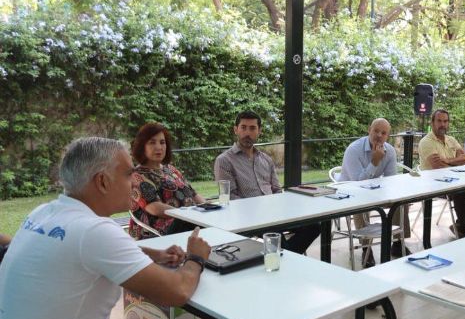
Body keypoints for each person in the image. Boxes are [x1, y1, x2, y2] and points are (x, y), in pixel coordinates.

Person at [0, 137, 214, 319]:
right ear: (102, 181)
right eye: (128, 174)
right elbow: (177, 292)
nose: (134, 181)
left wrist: (154, 254)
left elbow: (91, 249)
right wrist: (196, 259)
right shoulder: (94, 231)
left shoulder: (45, 213)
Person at [214, 111, 321, 254]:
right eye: (243, 127)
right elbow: (230, 198)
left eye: (252, 128)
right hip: (248, 217)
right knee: (276, 236)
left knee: (314, 225)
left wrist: (279, 209)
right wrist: (261, 211)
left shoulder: (266, 159)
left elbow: (277, 190)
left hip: (274, 213)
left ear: (259, 131)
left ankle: (284, 255)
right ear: (236, 130)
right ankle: (284, 256)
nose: (247, 133)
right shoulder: (224, 160)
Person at [339, 117, 411, 266]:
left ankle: (398, 243)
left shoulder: (389, 151)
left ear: (388, 136)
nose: (379, 135)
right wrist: (375, 161)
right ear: (369, 130)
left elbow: (391, 180)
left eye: (383, 133)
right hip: (348, 192)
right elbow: (358, 183)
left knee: (399, 200)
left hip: (373, 190)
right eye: (376, 131)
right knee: (360, 203)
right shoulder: (354, 150)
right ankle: (366, 248)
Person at [129, 123, 205, 239]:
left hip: (187, 222)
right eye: (152, 142)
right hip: (160, 232)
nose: (159, 147)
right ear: (142, 146)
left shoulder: (171, 169)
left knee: (215, 221)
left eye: (162, 142)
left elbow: (193, 194)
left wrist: (208, 208)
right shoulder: (137, 176)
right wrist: (186, 215)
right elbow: (154, 208)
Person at [418, 109, 465, 238]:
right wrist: (455, 161)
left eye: (445, 121)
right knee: (460, 192)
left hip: (455, 179)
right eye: (439, 121)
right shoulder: (426, 142)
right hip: (434, 183)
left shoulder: (451, 139)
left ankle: (461, 225)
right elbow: (437, 166)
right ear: (432, 123)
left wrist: (447, 160)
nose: (442, 124)